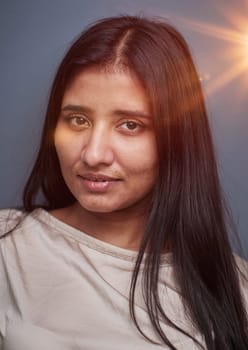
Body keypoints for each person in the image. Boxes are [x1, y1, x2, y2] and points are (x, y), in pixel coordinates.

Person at [0, 15, 247, 350]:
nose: (94, 154)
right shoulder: (7, 247)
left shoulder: (235, 287)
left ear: (177, 140)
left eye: (130, 125)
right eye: (77, 119)